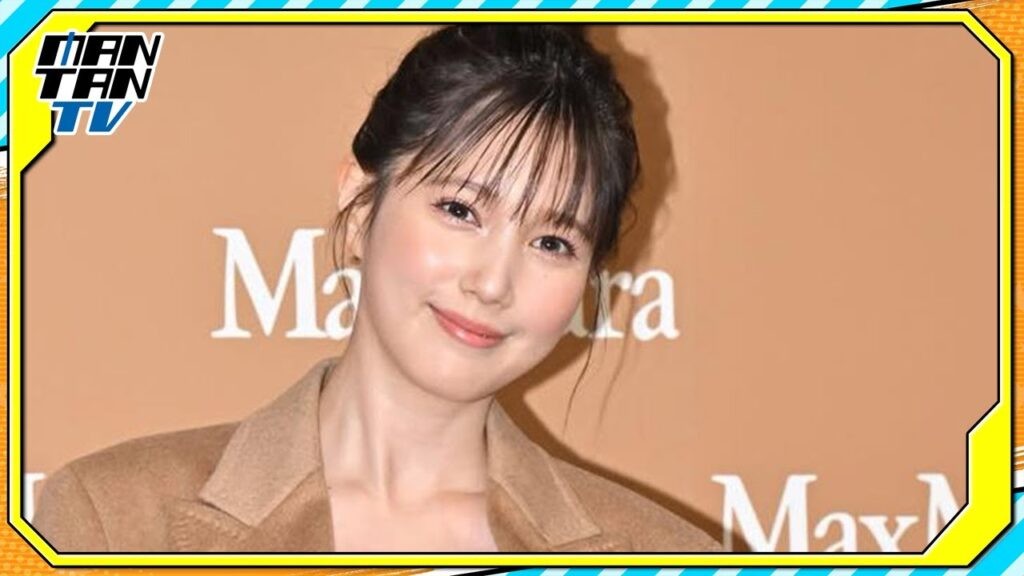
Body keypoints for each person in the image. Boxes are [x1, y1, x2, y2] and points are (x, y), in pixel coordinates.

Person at [33, 24, 720, 553]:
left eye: (552, 243)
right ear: (361, 204)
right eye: (460, 210)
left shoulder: (668, 556)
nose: (492, 283)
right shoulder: (110, 521)